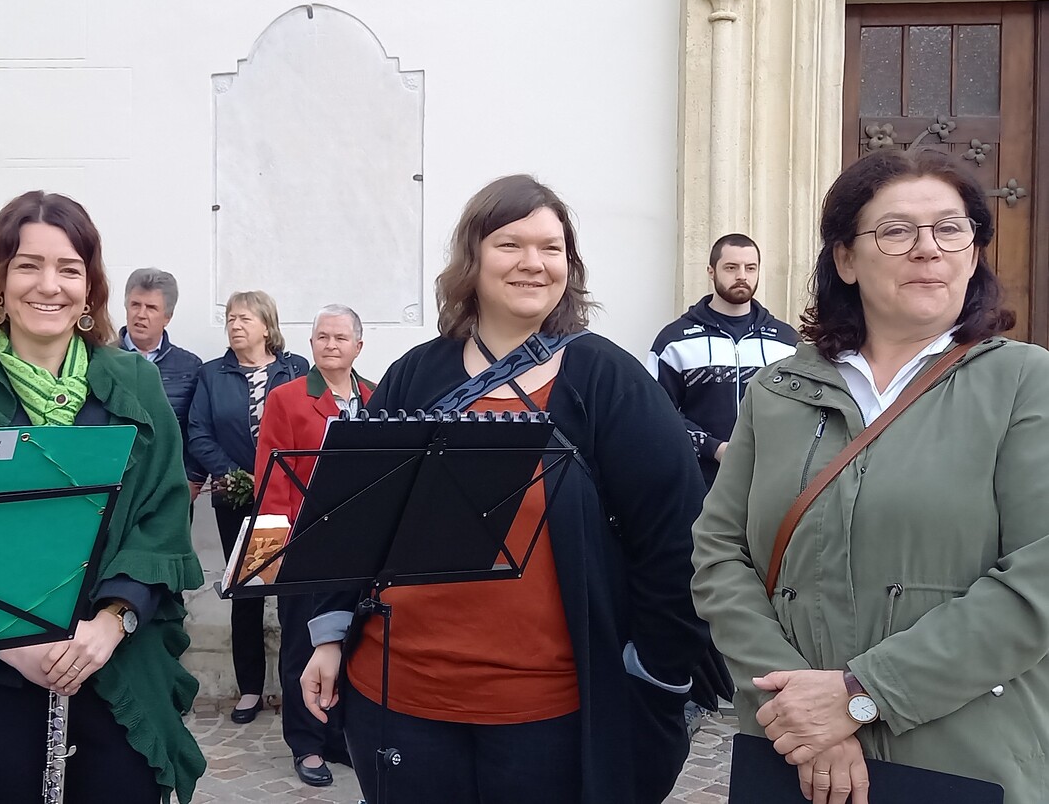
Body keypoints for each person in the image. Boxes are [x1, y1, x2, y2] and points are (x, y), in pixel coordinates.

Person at [300, 174, 708, 804]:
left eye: (551, 248)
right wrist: (329, 636)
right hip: (400, 694)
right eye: (510, 244)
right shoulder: (416, 374)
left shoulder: (608, 381)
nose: (533, 263)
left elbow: (675, 539)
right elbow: (354, 517)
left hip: (548, 707)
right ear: (473, 258)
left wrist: (654, 669)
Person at [693, 148, 1049, 804]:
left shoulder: (1026, 382)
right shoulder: (778, 390)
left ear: (973, 253)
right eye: (896, 230)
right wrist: (803, 710)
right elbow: (719, 554)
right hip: (793, 752)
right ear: (846, 259)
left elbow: (1039, 576)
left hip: (963, 755)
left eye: (950, 228)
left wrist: (863, 696)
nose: (928, 248)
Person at [0, 191, 206, 804]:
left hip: (115, 659)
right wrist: (12, 641)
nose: (49, 285)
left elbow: (163, 514)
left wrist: (112, 621)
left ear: (89, 287)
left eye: (69, 269)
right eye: (28, 265)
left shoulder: (136, 381)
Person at [254, 304, 371, 787]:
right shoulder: (287, 398)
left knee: (350, 642)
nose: (330, 345)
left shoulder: (376, 396)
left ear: (358, 346)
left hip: (360, 545)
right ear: (311, 343)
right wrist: (276, 549)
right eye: (322, 336)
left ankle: (340, 735)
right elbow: (271, 477)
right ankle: (307, 743)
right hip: (304, 542)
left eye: (340, 338)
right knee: (303, 644)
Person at [188, 290, 310, 724]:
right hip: (236, 498)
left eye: (244, 318)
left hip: (290, 499)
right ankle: (250, 689)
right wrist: (241, 476)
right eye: (230, 319)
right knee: (247, 591)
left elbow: (305, 427)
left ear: (266, 326)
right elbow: (198, 432)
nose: (235, 326)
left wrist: (276, 478)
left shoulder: (295, 369)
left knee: (296, 592)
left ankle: (300, 687)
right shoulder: (211, 374)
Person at [648, 233, 799, 489]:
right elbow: (657, 414)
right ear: (711, 271)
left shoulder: (787, 342)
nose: (742, 276)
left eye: (750, 268)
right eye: (731, 267)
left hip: (770, 483)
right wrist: (713, 448)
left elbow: (802, 412)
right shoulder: (674, 341)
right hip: (699, 482)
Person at [119, 268, 204, 500]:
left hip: (170, 485)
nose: (141, 314)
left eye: (151, 308)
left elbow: (198, 428)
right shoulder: (101, 360)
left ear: (167, 317)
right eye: (135, 305)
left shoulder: (190, 367)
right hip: (116, 483)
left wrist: (192, 478)